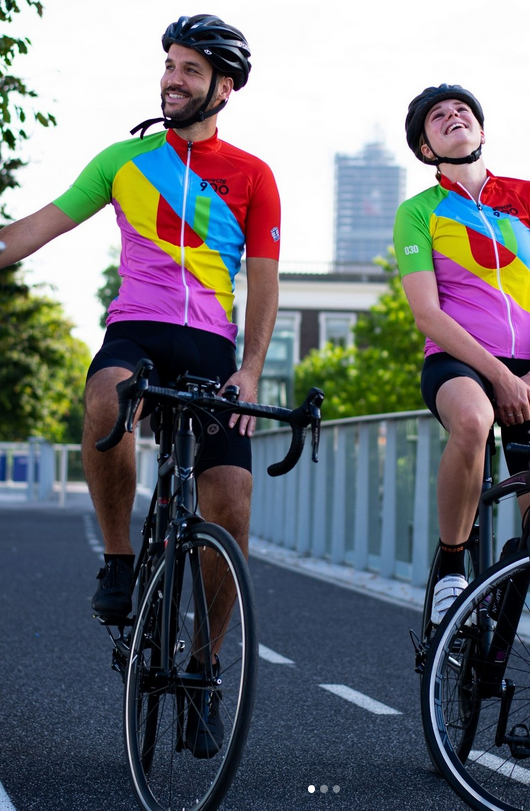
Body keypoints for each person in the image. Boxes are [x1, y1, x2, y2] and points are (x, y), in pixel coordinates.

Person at [0, 14, 280, 758]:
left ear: (225, 86)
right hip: (139, 329)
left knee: (231, 507)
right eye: (168, 65)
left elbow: (265, 286)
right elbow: (33, 230)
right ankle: (121, 560)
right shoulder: (125, 160)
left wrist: (250, 369)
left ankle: (204, 666)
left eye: (189, 69)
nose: (171, 78)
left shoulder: (253, 175)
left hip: (214, 349)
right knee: (105, 395)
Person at [393, 84, 530, 789]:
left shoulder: (529, 196)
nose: (456, 118)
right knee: (474, 420)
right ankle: (452, 565)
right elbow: (428, 312)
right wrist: (497, 376)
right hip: (457, 360)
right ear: (425, 148)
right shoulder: (419, 211)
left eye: (464, 111)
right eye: (439, 118)